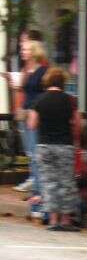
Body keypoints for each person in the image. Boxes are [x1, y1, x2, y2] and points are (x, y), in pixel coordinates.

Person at [28, 67, 81, 231]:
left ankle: (53, 220)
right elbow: (77, 124)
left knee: (49, 183)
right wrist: (76, 139)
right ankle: (66, 220)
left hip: (44, 146)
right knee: (66, 182)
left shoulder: (39, 100)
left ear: (47, 82)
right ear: (63, 82)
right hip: (65, 145)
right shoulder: (70, 100)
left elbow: (32, 124)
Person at [6, 36, 48, 201]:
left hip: (34, 114)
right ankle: (35, 186)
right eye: (23, 49)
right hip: (24, 112)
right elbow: (23, 90)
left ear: (34, 52)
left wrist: (31, 109)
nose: (23, 52)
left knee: (36, 151)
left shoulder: (42, 71)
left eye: (26, 49)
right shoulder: (26, 70)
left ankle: (39, 189)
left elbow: (42, 94)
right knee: (30, 152)